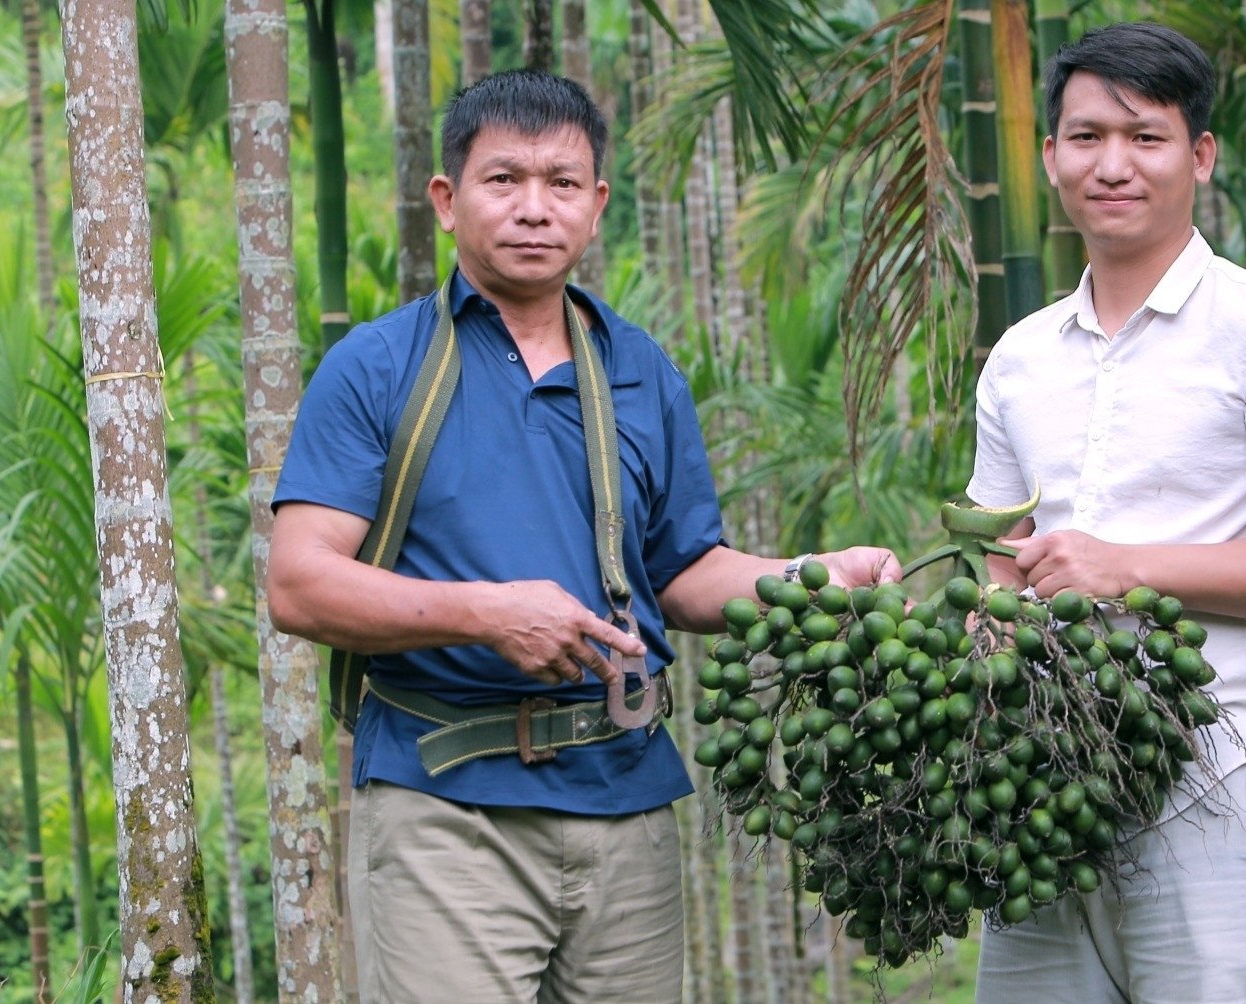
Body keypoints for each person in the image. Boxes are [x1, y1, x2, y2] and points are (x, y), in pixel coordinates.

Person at [267, 70, 897, 1004]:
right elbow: (299, 585)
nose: (534, 208)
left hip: (628, 798)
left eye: (562, 183)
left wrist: (815, 577)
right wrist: (486, 614)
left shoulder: (642, 372)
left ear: (596, 206)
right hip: (448, 806)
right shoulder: (374, 367)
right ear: (446, 200)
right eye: (503, 180)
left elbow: (686, 576)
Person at [966, 23, 1246, 1004]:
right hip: (1039, 774)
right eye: (1084, 138)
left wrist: (1121, 565)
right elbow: (997, 567)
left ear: (1199, 156)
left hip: (1216, 766)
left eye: (1145, 136)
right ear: (1049, 157)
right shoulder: (1018, 358)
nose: (1111, 164)